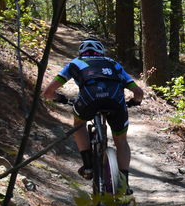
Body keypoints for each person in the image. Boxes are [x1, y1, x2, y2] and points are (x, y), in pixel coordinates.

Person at [43, 38, 143, 194]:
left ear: (81, 52)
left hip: (88, 102)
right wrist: (134, 102)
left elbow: (48, 92)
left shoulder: (75, 63)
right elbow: (138, 93)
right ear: (101, 52)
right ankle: (124, 185)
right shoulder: (113, 63)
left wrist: (60, 98)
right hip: (116, 103)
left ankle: (88, 166)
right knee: (121, 141)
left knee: (79, 124)